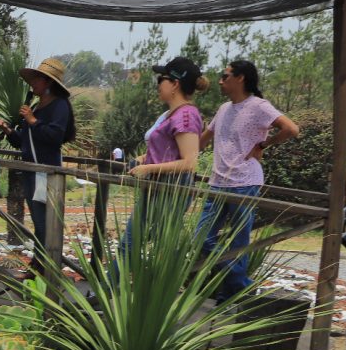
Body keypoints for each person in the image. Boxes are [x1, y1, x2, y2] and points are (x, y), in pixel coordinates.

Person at [198, 60, 300, 301]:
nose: (221, 81)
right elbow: (203, 140)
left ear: (240, 78)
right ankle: (240, 284)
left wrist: (264, 144)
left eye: (225, 76)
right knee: (202, 237)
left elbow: (291, 129)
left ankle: (229, 291)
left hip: (245, 181)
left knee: (238, 241)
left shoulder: (258, 106)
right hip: (217, 182)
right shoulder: (223, 109)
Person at [0, 57, 76, 267]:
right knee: (39, 223)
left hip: (46, 173)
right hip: (31, 171)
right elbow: (25, 141)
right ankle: (39, 265)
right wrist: (9, 131)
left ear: (48, 82)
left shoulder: (60, 106)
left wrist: (32, 121)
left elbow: (55, 136)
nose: (32, 84)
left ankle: (44, 266)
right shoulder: (37, 106)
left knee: (44, 223)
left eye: (37, 79)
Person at [124, 57, 209, 251]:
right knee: (130, 244)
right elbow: (168, 152)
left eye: (161, 79)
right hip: (158, 188)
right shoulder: (173, 114)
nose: (158, 84)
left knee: (147, 247)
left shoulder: (185, 116)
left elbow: (189, 163)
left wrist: (148, 167)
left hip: (171, 190)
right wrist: (145, 158)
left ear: (175, 84)